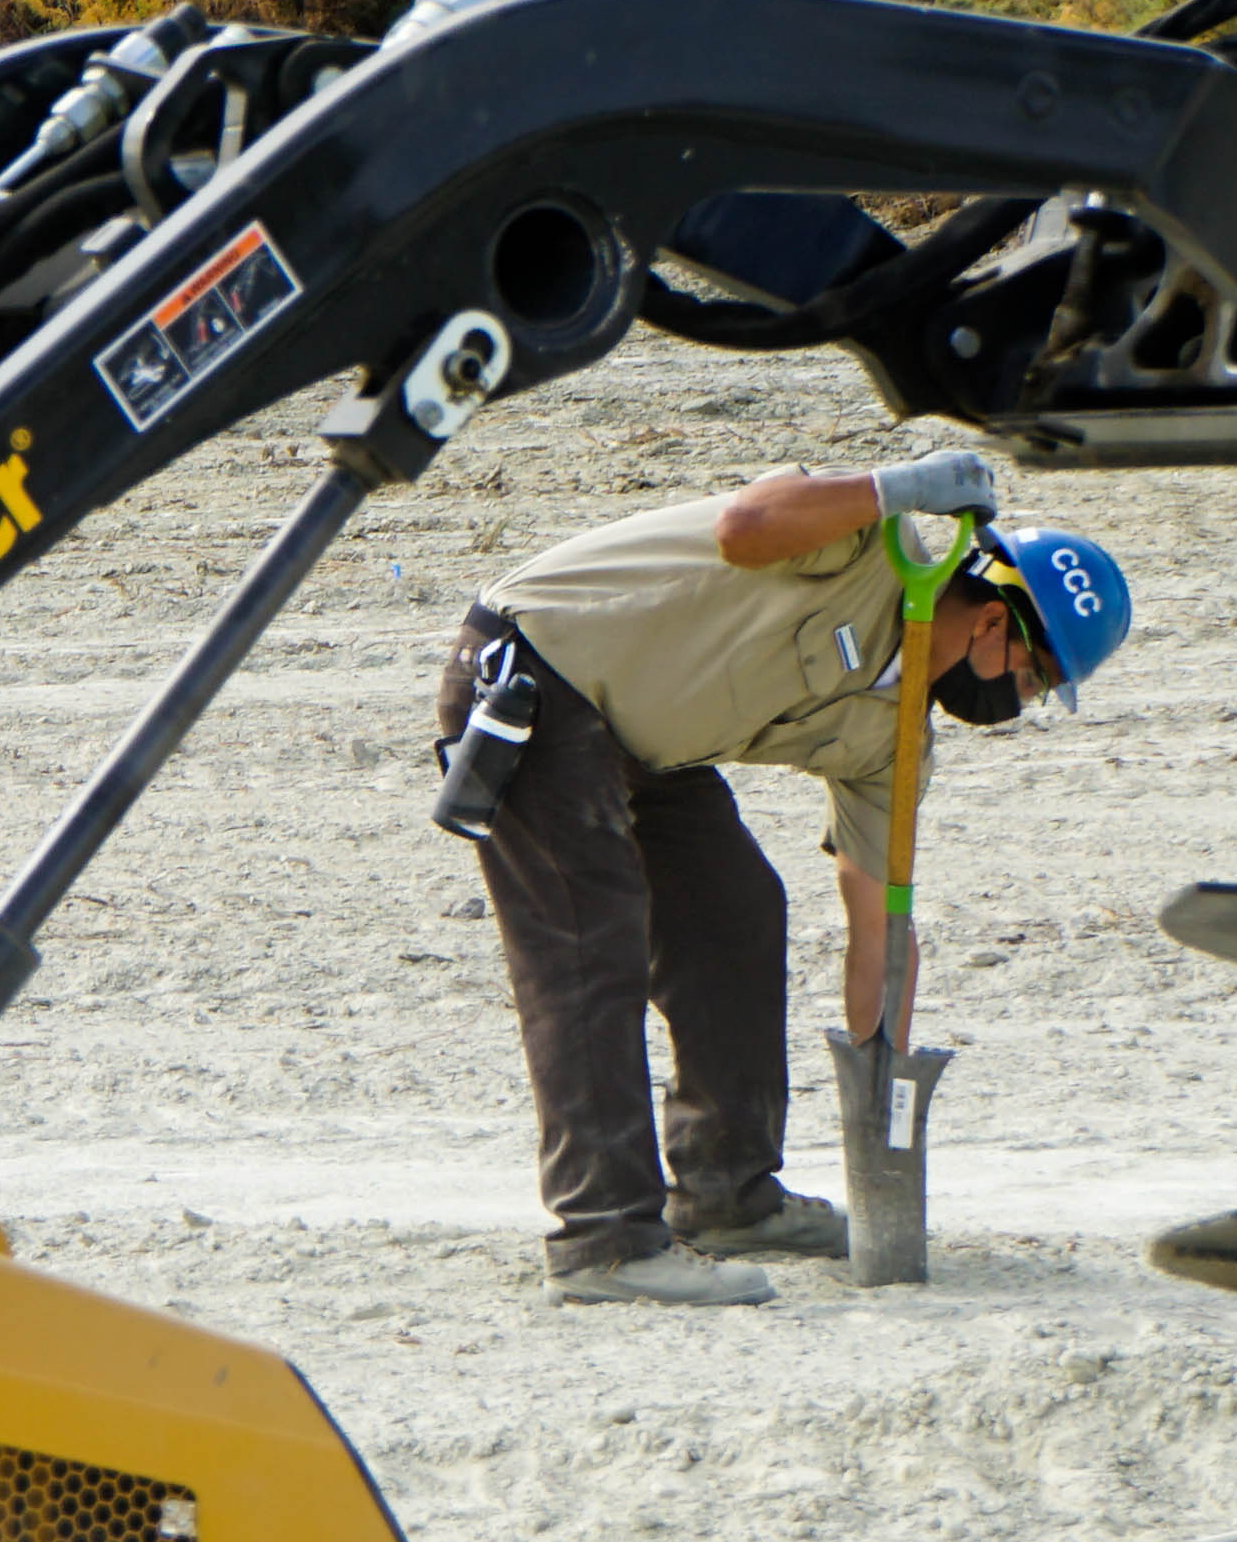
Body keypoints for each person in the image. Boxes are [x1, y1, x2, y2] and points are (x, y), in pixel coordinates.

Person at [432, 450, 1131, 1306]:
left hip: (646, 740)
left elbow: (880, 923)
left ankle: (728, 1197)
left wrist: (884, 1070)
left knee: (737, 914)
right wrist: (896, 488)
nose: (1019, 704)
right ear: (993, 624)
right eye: (1033, 677)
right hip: (537, 674)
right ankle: (603, 1241)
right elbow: (745, 525)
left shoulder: (895, 739)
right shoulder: (863, 541)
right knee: (588, 942)